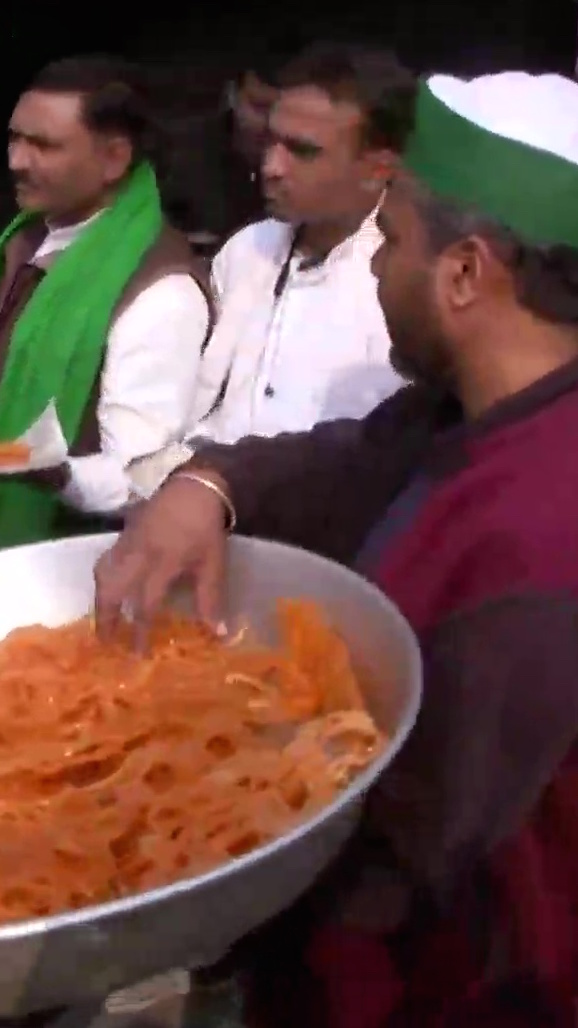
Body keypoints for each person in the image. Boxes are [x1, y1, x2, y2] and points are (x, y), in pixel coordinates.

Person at [93, 70, 578, 1028]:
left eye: (389, 240)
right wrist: (206, 483)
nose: (371, 268)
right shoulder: (466, 413)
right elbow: (347, 454)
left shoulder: (538, 535)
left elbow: (417, 842)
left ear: (466, 273)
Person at [0, 57, 212, 559]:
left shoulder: (160, 290)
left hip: (63, 570)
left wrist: (54, 471)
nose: (16, 161)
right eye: (14, 139)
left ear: (115, 158)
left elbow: (140, 475)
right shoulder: (28, 238)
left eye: (42, 146)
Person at [136, 45, 417, 493]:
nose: (270, 167)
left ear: (378, 168)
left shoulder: (407, 280)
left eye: (302, 151)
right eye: (270, 142)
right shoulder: (249, 248)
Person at [158, 33, 302, 249]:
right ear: (232, 95)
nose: (272, 123)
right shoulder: (179, 157)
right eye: (259, 107)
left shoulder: (316, 161)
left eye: (285, 112)